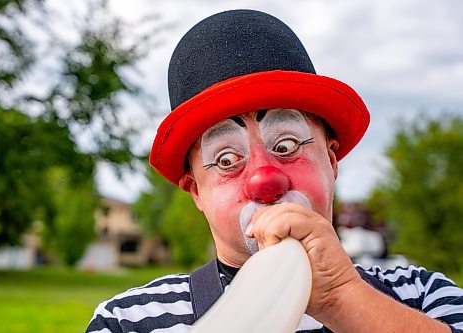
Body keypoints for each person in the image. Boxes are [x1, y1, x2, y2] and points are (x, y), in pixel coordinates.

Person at [86, 9, 463, 333]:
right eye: (227, 160)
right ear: (196, 191)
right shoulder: (128, 320)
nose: (264, 181)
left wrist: (341, 298)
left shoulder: (423, 296)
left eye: (286, 147)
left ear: (331, 163)